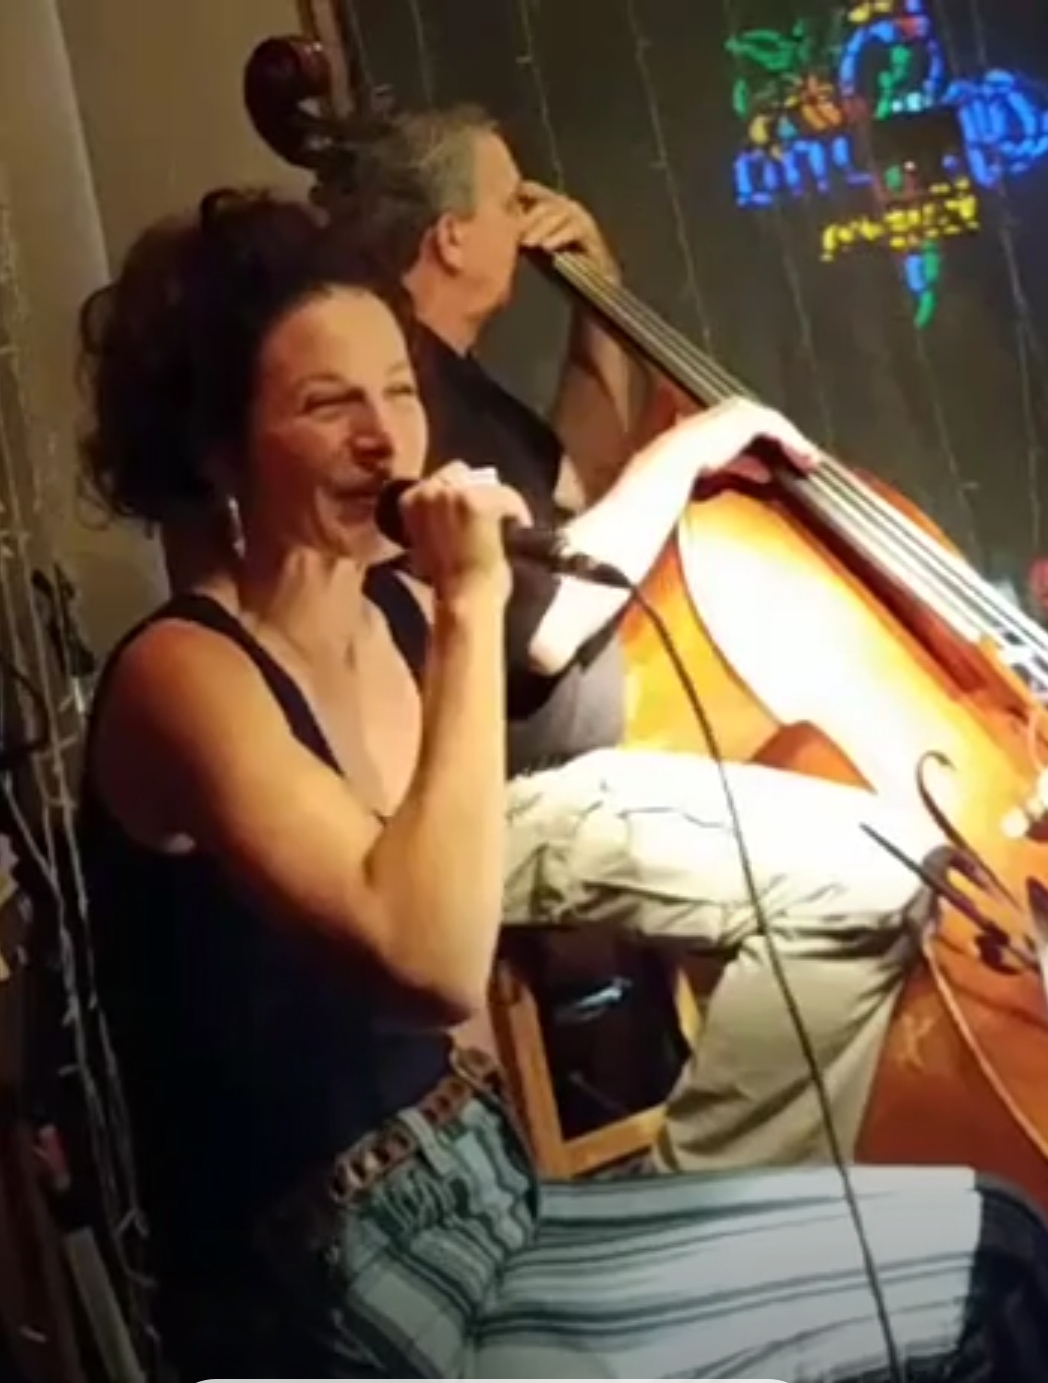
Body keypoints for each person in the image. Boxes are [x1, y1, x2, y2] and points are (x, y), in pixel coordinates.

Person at [75, 187, 1048, 1380]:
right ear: (217, 449)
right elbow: (431, 959)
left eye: (398, 391)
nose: (387, 441)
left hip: (494, 1199)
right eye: (328, 406)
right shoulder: (184, 676)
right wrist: (468, 606)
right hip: (339, 1286)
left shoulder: (390, 615)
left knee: (1001, 1237)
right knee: (999, 1282)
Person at [314, 105, 959, 1174]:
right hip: (501, 797)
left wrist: (598, 304)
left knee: (872, 856)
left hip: (567, 779)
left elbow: (576, 489)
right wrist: (695, 444)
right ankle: (713, 1208)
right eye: (511, 199)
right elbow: (545, 625)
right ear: (451, 237)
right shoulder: (410, 398)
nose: (532, 218)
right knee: (869, 871)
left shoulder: (456, 384)